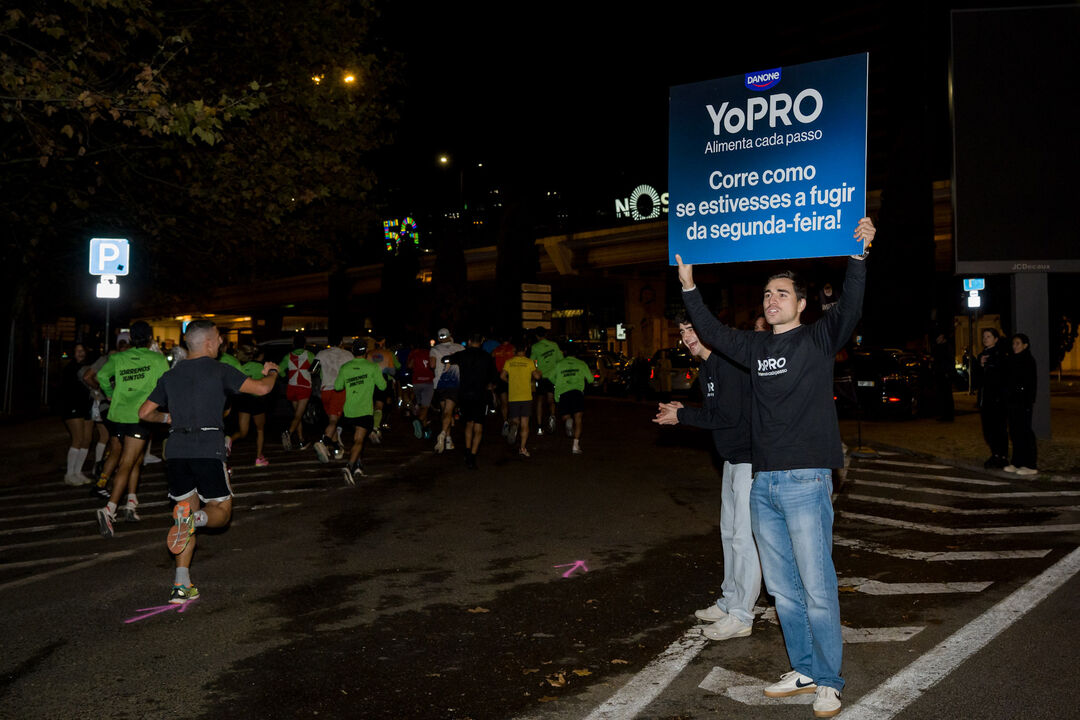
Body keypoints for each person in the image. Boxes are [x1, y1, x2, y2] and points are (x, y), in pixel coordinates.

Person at [676, 216, 876, 719]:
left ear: (802, 304)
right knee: (783, 589)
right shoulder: (757, 347)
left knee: (816, 587)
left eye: (782, 293)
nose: (772, 299)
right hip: (763, 483)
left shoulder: (817, 339)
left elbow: (850, 306)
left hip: (807, 481)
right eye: (768, 293)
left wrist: (858, 256)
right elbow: (714, 332)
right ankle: (804, 667)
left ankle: (829, 680)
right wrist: (689, 286)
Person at [139, 319, 279, 603]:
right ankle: (196, 518)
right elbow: (263, 389)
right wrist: (272, 372)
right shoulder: (219, 370)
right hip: (206, 447)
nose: (221, 343)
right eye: (218, 339)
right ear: (208, 342)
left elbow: (144, 413)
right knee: (220, 512)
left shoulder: (171, 375)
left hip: (176, 451)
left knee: (183, 512)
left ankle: (181, 584)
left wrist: (167, 418)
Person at [653, 310, 759, 642]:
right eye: (683, 330)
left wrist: (682, 416)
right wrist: (682, 410)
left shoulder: (727, 364)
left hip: (750, 460)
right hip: (730, 460)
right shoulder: (707, 368)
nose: (687, 336)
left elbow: (726, 416)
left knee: (744, 539)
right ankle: (730, 601)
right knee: (729, 533)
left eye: (692, 329)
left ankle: (743, 614)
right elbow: (715, 413)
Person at [94, 321, 170, 535]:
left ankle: (131, 504)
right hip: (140, 416)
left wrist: (110, 391)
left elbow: (100, 376)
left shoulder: (118, 358)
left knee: (136, 459)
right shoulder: (156, 359)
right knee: (127, 462)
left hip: (118, 415)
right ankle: (109, 509)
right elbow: (166, 383)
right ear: (150, 338)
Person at [334, 338, 386, 483]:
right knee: (359, 440)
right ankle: (349, 466)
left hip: (349, 411)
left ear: (352, 351)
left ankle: (358, 466)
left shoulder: (345, 367)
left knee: (357, 439)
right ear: (366, 352)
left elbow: (338, 387)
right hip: (364, 411)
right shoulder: (372, 367)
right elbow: (382, 387)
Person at [448, 333, 497, 469]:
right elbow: (494, 377)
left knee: (468, 423)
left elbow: (447, 359)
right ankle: (473, 456)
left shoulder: (462, 355)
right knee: (479, 426)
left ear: (469, 341)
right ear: (481, 341)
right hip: (480, 395)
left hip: (465, 394)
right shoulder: (487, 357)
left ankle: (468, 450)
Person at [229, 345, 272, 466]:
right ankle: (258, 458)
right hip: (257, 401)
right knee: (260, 430)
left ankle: (228, 440)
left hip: (244, 400)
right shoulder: (261, 367)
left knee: (243, 432)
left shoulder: (241, 367)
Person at [313, 335, 354, 463]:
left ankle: (337, 448)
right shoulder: (348, 355)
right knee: (333, 420)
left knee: (332, 420)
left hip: (325, 390)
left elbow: (312, 370)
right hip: (340, 389)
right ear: (341, 342)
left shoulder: (321, 353)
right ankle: (323, 443)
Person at [59, 343, 94, 485]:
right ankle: (69, 473)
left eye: (82, 350)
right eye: (77, 351)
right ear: (73, 353)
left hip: (87, 406)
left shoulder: (89, 366)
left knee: (87, 439)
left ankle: (78, 472)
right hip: (72, 406)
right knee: (77, 439)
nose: (80, 353)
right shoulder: (70, 368)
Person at [973, 328, 1008, 469]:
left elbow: (1001, 377)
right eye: (984, 337)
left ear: (995, 339)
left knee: (999, 428)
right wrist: (981, 365)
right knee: (988, 429)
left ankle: (1003, 456)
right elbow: (977, 380)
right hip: (985, 399)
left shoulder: (1000, 355)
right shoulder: (982, 355)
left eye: (988, 336)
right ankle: (994, 454)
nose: (985, 339)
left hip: (998, 398)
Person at [1004, 333, 1038, 475]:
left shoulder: (1028, 361)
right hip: (1012, 401)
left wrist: (1027, 401)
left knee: (1025, 432)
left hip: (1023, 402)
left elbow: (1030, 383)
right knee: (1014, 432)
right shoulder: (1012, 360)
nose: (1014, 346)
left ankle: (1030, 465)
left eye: (1018, 343)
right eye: (1013, 343)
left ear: (1025, 345)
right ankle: (1017, 462)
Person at [501, 339, 540, 457]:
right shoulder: (529, 362)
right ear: (526, 349)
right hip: (526, 396)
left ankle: (513, 426)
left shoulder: (509, 362)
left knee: (515, 420)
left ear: (514, 350)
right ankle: (522, 448)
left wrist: (510, 382)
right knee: (525, 423)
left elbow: (502, 376)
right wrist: (539, 372)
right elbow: (537, 376)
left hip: (513, 396)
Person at [551, 350, 593, 455]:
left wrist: (559, 382)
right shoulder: (582, 364)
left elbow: (551, 377)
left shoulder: (559, 364)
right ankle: (575, 446)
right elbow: (591, 379)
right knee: (578, 420)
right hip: (577, 394)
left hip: (564, 394)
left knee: (565, 416)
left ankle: (568, 420)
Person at [279, 333, 316, 450]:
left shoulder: (288, 356)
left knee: (297, 415)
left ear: (293, 344)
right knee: (299, 415)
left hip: (292, 387)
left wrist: (286, 376)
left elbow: (280, 370)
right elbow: (316, 370)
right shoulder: (310, 355)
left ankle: (301, 440)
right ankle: (288, 433)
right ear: (305, 344)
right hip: (304, 387)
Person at [431, 328, 463, 453]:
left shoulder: (434, 349)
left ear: (439, 338)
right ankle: (443, 434)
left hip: (440, 384)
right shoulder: (460, 348)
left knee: (445, 412)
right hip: (454, 383)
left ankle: (449, 440)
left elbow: (432, 365)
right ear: (450, 336)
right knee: (449, 412)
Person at [529, 326, 563, 435]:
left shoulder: (535, 347)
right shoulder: (554, 345)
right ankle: (552, 416)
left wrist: (535, 372)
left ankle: (539, 427)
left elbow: (531, 362)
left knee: (539, 400)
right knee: (551, 399)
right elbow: (560, 360)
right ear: (546, 334)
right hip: (553, 377)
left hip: (541, 377)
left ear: (536, 336)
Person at [407, 337, 436, 439]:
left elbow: (410, 366)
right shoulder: (431, 352)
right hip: (428, 382)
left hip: (417, 382)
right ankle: (418, 422)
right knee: (425, 407)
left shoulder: (415, 353)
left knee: (421, 406)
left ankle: (425, 429)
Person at [492, 334, 517, 436]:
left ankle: (505, 421)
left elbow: (492, 362)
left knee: (504, 401)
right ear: (510, 338)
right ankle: (512, 420)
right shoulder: (513, 349)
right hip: (512, 376)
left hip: (500, 376)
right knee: (513, 400)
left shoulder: (495, 350)